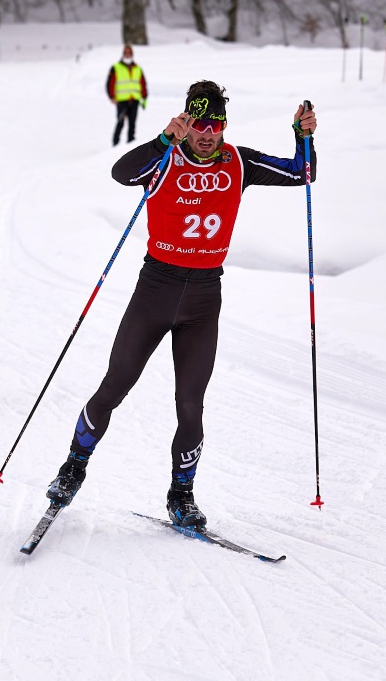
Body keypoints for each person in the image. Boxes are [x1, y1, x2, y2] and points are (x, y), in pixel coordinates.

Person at [43, 81, 318, 529]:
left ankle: (181, 495)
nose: (207, 135)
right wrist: (162, 140)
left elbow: (301, 173)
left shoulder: (239, 162)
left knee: (191, 404)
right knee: (116, 385)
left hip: (204, 299)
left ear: (224, 126)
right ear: (185, 123)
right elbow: (121, 173)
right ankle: (73, 467)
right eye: (198, 126)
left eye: (215, 126)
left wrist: (302, 136)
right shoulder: (164, 158)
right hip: (156, 289)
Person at [106, 44, 148, 146]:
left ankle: (131, 144)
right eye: (126, 53)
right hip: (122, 100)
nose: (128, 55)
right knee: (120, 122)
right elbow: (110, 83)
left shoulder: (137, 68)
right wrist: (112, 96)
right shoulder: (116, 67)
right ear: (123, 54)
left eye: (130, 53)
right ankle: (115, 144)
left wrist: (144, 97)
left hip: (134, 100)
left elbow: (142, 83)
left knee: (132, 124)